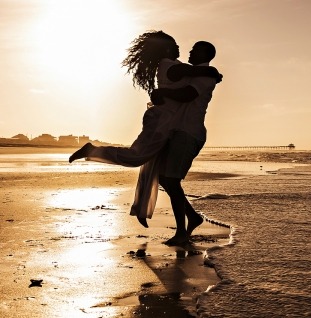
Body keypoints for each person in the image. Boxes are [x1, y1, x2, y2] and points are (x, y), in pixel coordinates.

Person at [68, 31, 221, 226]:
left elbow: (189, 88)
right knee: (137, 156)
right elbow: (188, 85)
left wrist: (211, 74)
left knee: (152, 166)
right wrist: (213, 72)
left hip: (168, 122)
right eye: (175, 46)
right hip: (162, 120)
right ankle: (92, 151)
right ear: (166, 49)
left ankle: (158, 211)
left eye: (193, 49)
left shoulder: (179, 68)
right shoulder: (169, 65)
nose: (182, 49)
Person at [147, 41, 220, 245]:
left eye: (195, 49)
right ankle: (193, 218)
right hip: (179, 132)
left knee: (170, 180)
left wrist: (163, 93)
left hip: (189, 133)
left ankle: (182, 231)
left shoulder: (205, 77)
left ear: (206, 54)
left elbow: (187, 95)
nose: (190, 51)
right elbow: (177, 73)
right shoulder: (200, 73)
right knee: (165, 179)